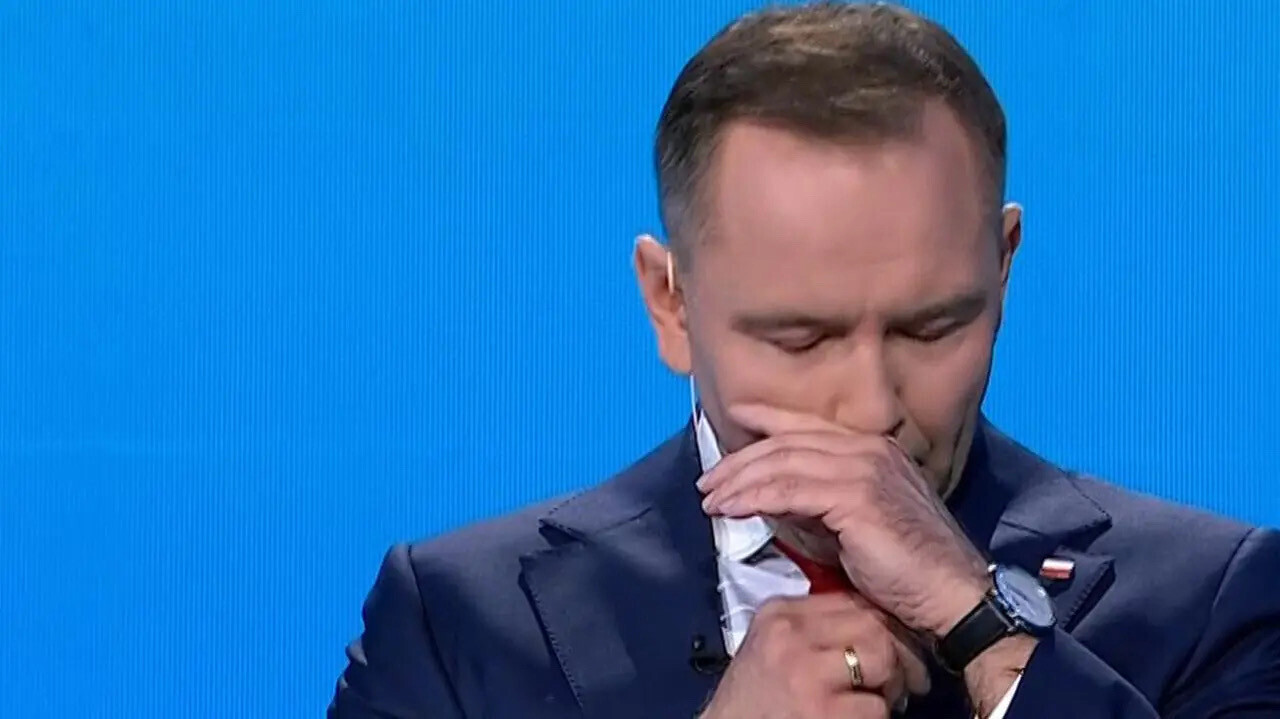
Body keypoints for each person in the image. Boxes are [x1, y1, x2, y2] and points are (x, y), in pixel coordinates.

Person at [328, 3, 1280, 717]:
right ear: (670, 302)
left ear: (1002, 269)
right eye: (801, 339)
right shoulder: (458, 623)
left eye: (930, 328)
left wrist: (986, 627)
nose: (869, 407)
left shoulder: (1214, 600)